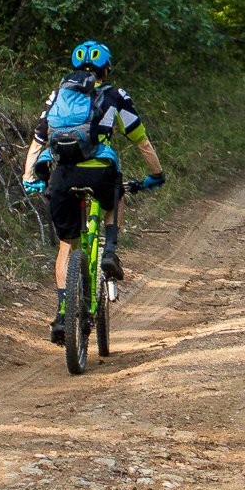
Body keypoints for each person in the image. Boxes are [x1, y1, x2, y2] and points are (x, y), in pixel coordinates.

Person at [22, 40, 163, 345]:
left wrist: (29, 177)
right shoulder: (115, 96)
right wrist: (156, 174)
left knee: (66, 246)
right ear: (106, 70)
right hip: (100, 173)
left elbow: (38, 140)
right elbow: (141, 140)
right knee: (116, 193)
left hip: (63, 176)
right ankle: (110, 250)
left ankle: (62, 315)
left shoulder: (59, 95)